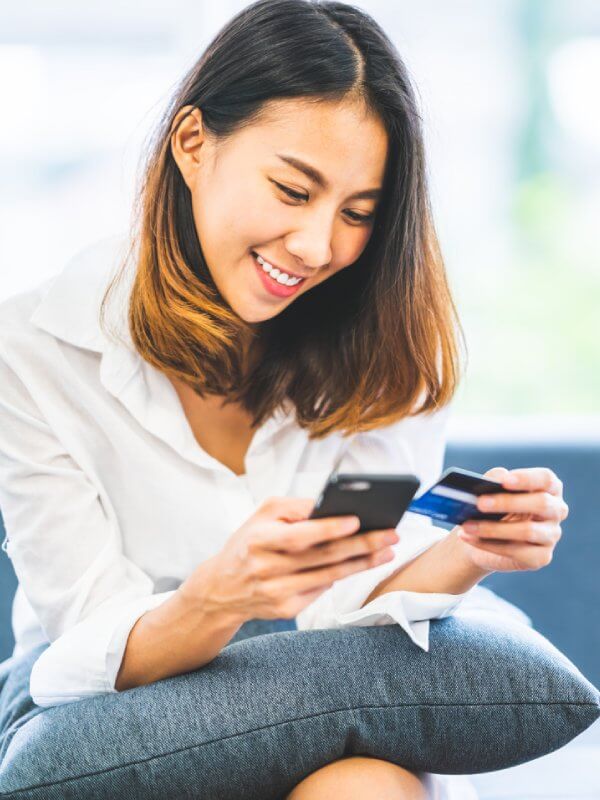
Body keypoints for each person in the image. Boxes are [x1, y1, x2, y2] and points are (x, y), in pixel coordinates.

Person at [0, 1, 569, 798]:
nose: (317, 247)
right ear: (193, 143)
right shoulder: (32, 350)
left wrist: (469, 551)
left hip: (328, 679)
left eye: (359, 214)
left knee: (365, 784)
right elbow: (89, 643)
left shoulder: (387, 348)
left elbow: (349, 609)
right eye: (292, 190)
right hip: (116, 696)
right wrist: (218, 598)